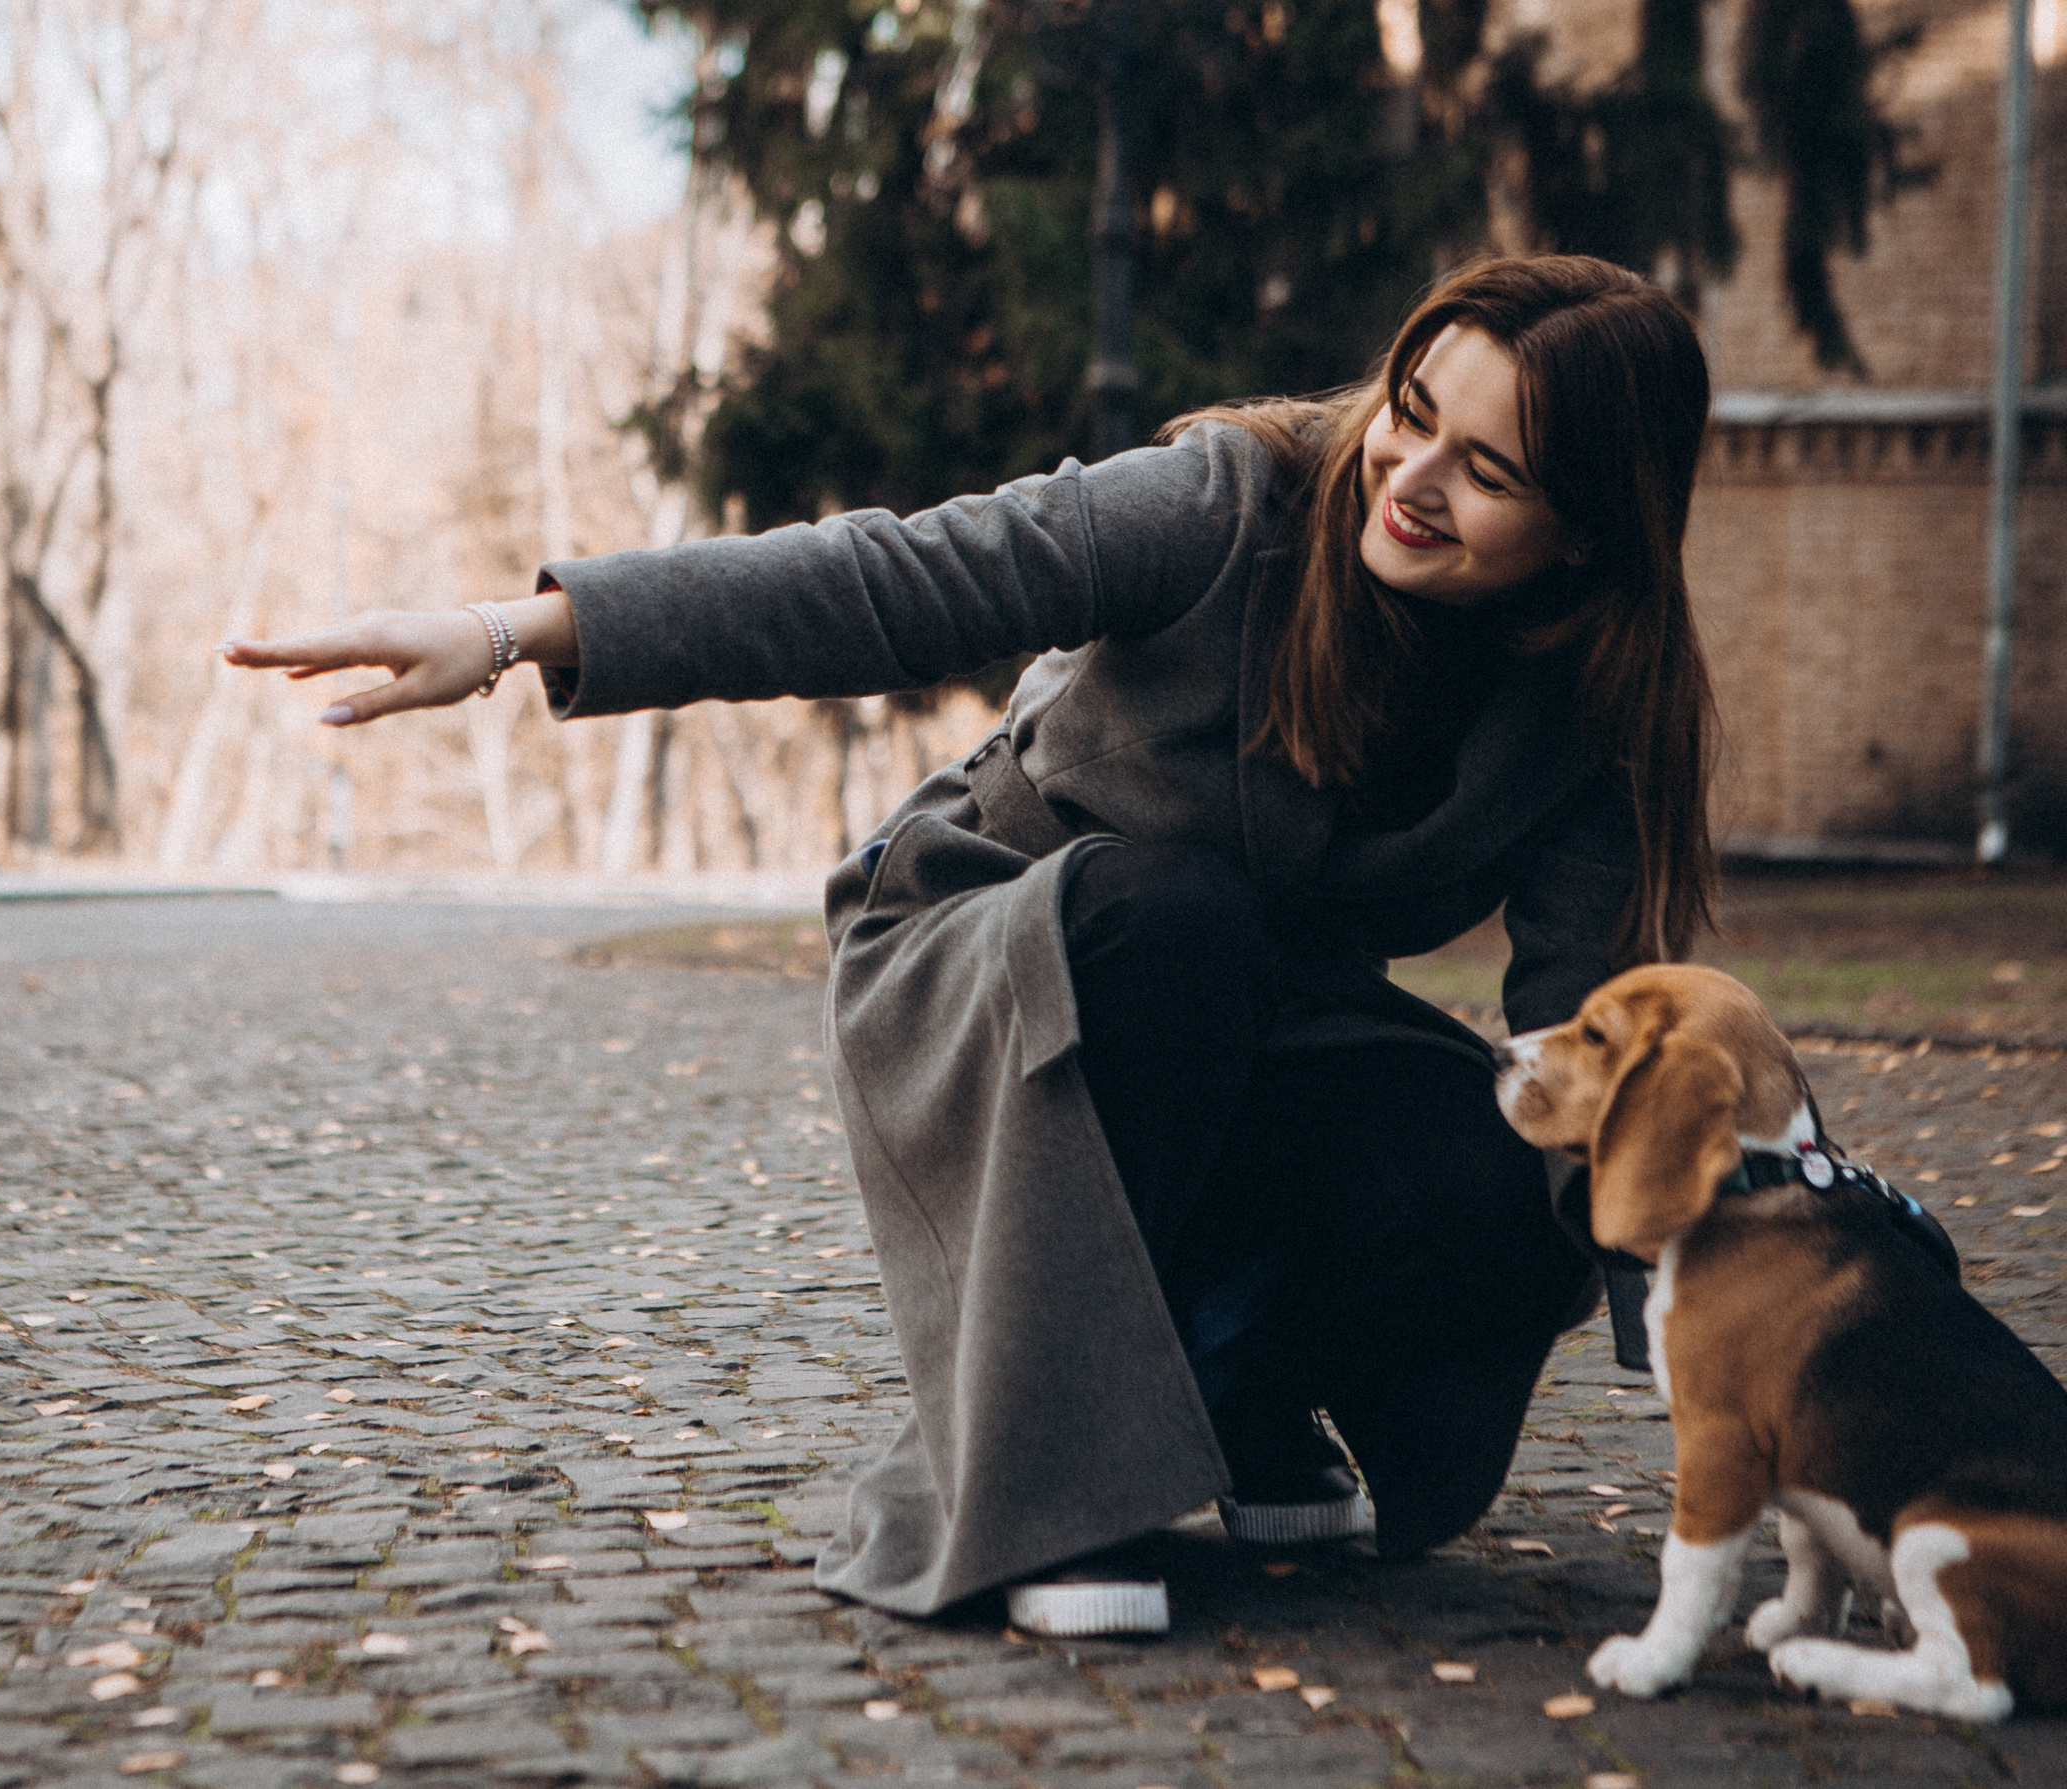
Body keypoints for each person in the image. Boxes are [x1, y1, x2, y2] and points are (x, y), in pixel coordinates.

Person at [222, 254, 1717, 1627]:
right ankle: (1049, 1491)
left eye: (1488, 469)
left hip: (1253, 1013)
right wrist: (512, 633)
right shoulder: (1229, 506)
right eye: (1411, 411)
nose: (1412, 475)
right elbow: (891, 580)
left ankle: (1234, 1389)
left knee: (1505, 1163)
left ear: (1587, 529)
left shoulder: (1594, 708)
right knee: (1171, 922)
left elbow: (1593, 1037)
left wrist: (1715, 1326)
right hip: (990, 939)